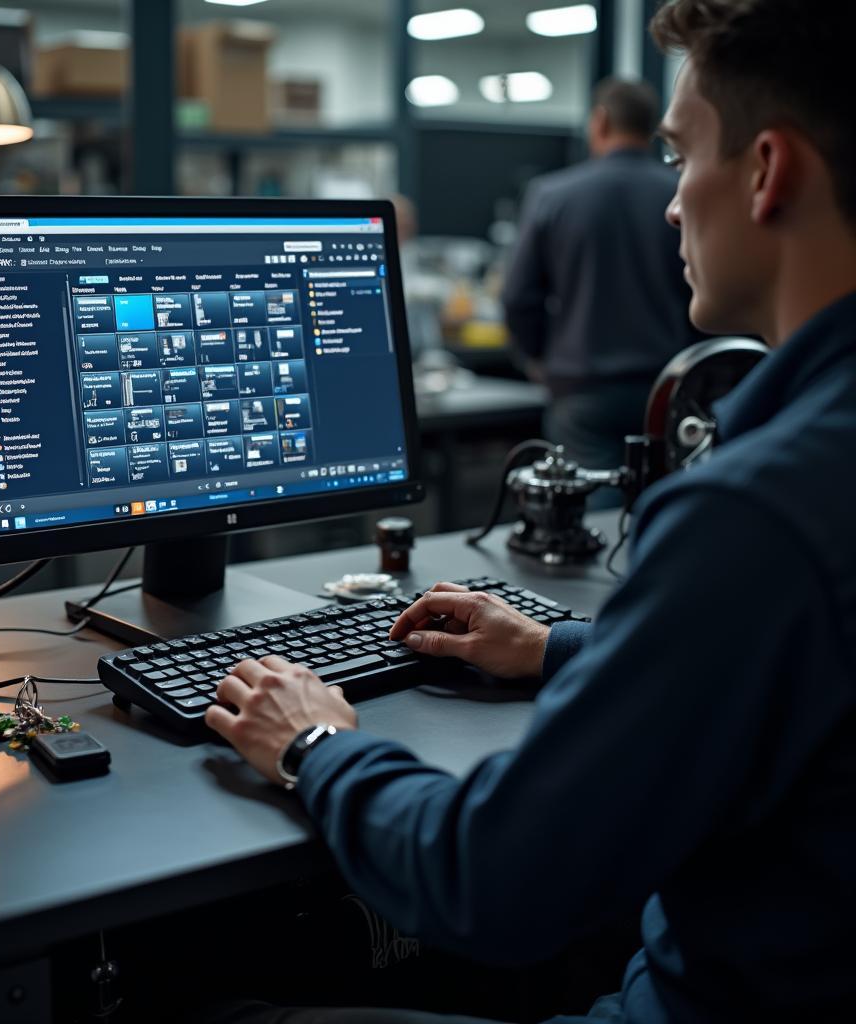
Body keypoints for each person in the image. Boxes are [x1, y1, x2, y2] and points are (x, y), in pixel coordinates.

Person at [197, 1, 856, 1020]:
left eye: (681, 157)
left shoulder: (759, 512)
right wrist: (552, 646)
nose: (672, 206)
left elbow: (485, 879)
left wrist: (317, 743)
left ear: (767, 171)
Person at [503, 77, 699, 503]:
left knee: (589, 514)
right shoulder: (679, 194)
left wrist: (538, 357)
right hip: (665, 385)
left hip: (582, 386)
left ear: (600, 121)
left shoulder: (552, 194)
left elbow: (518, 295)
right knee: (660, 506)